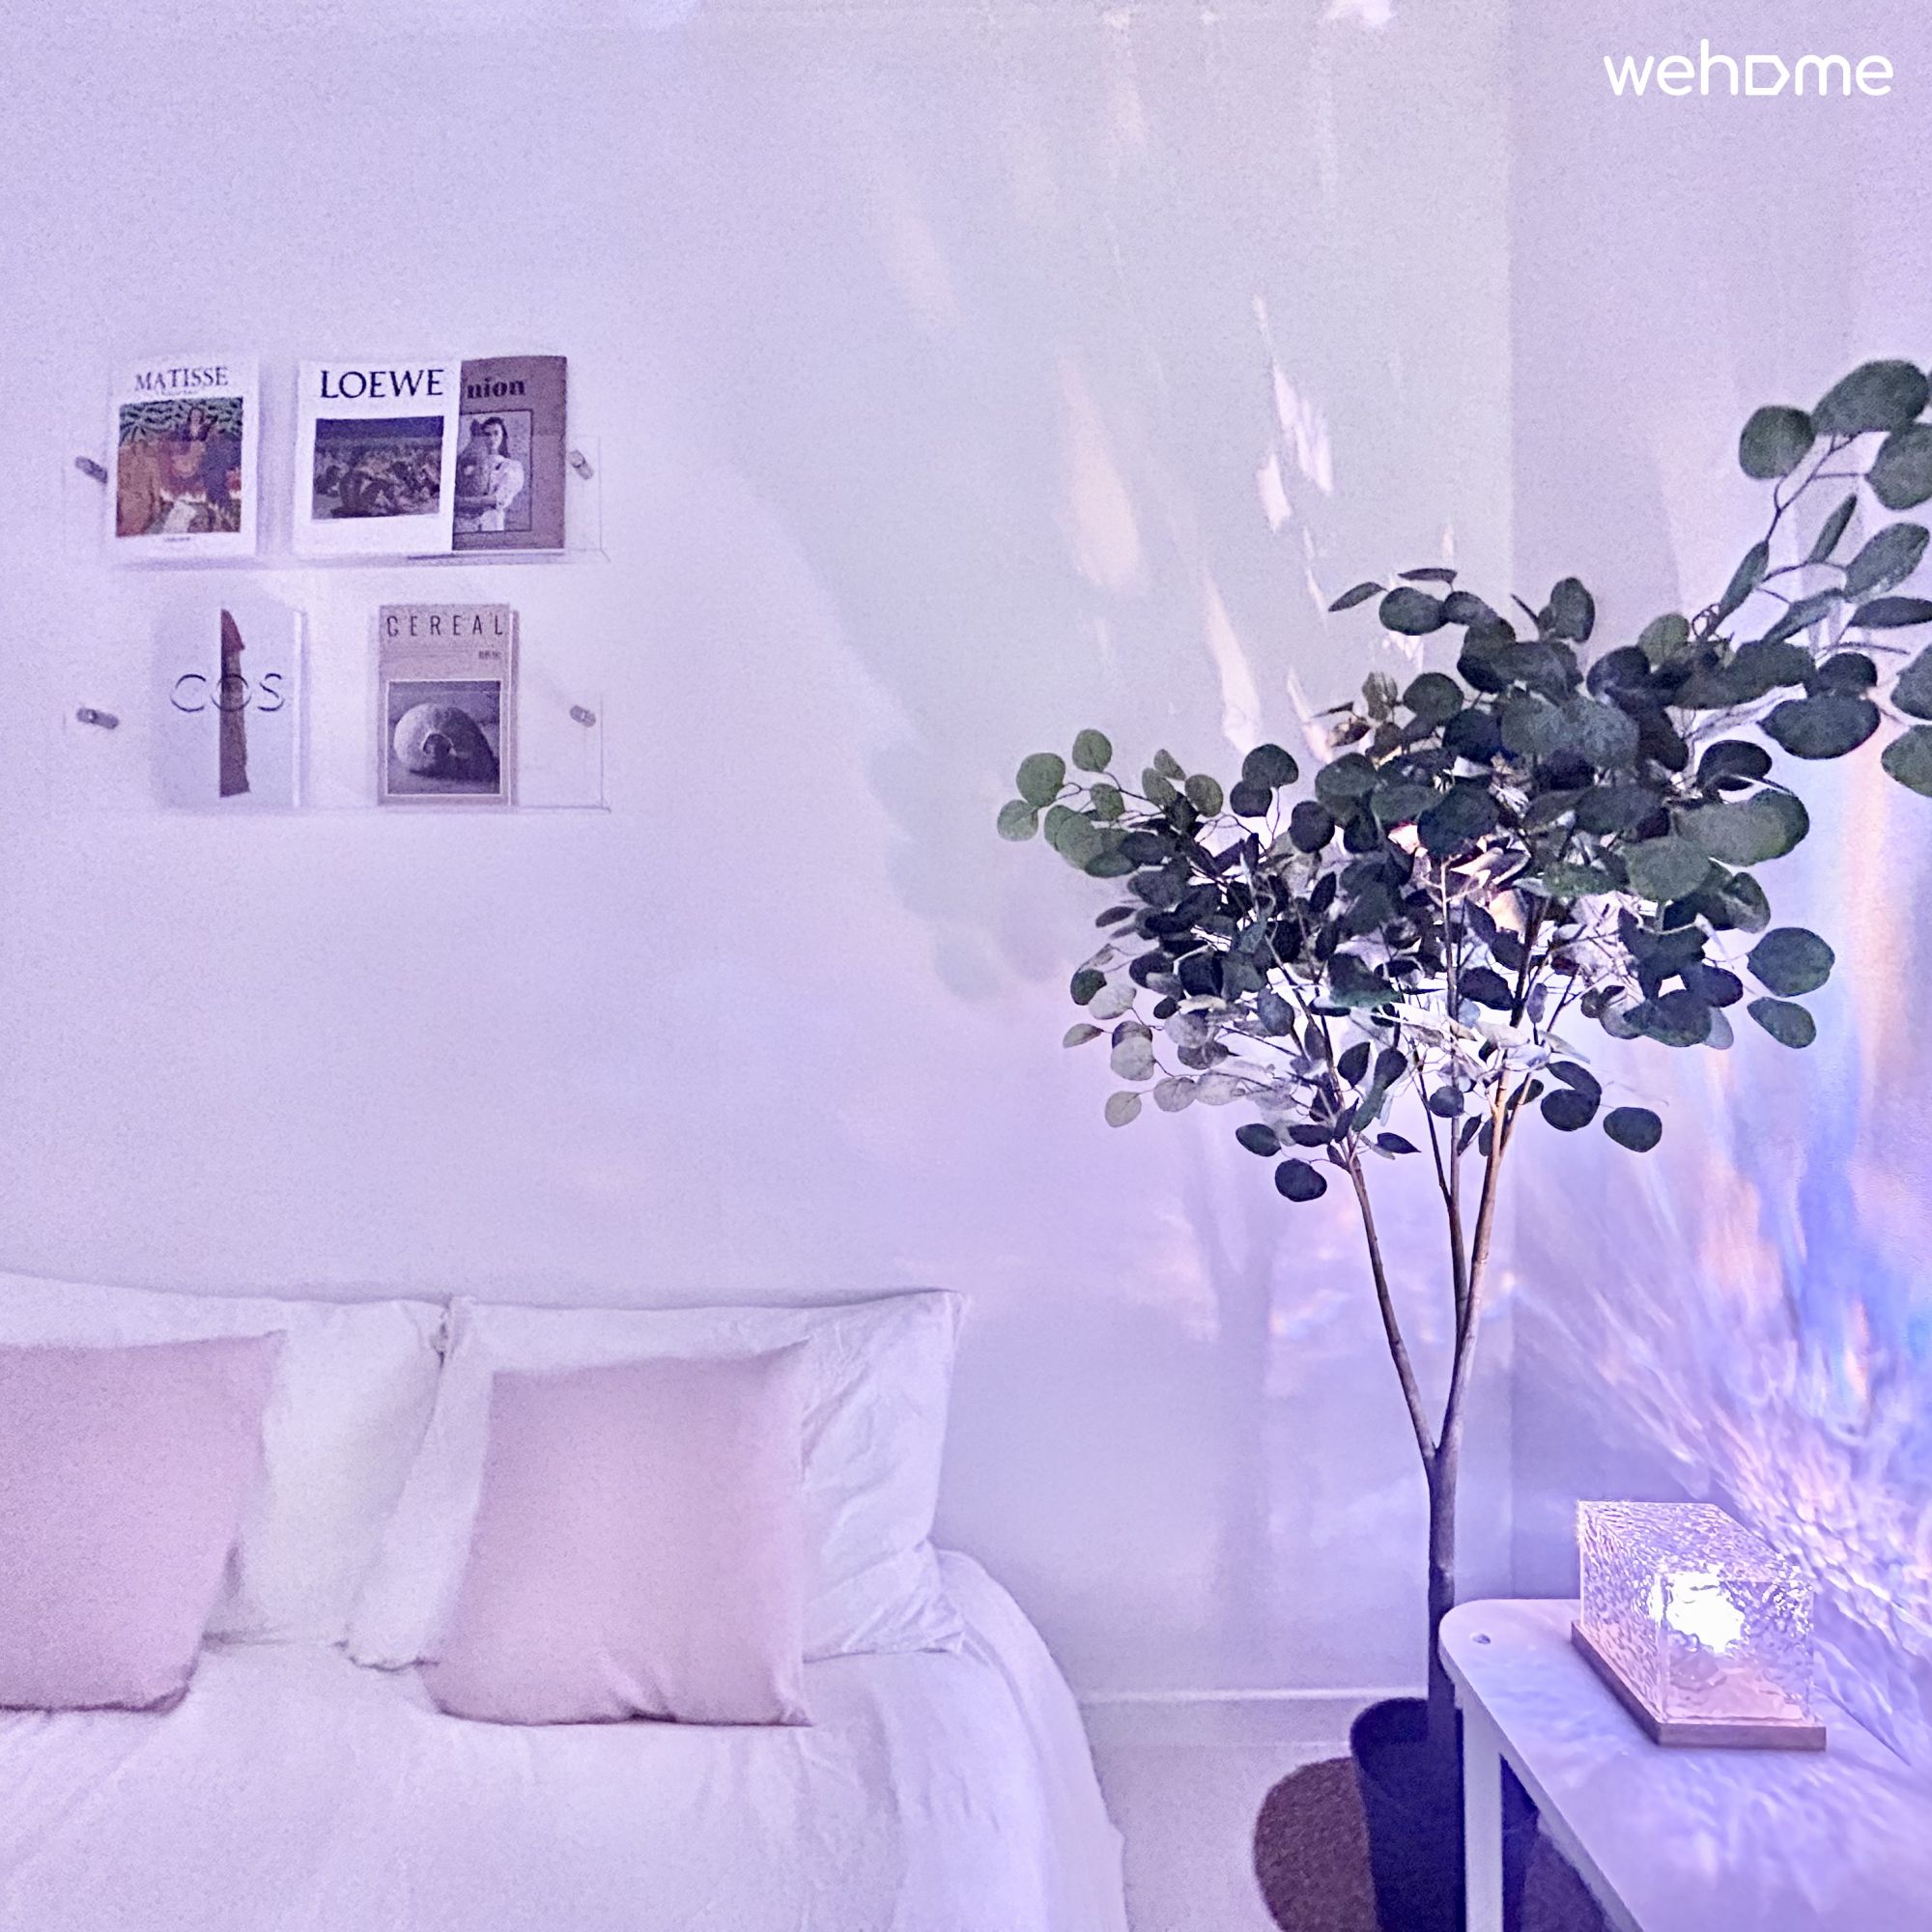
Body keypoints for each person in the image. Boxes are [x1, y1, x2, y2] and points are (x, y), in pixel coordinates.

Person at [453, 415, 525, 532]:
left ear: (503, 436)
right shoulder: (468, 460)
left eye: (496, 433)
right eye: (487, 434)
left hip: (491, 524)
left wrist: (461, 501)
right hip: (463, 523)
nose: (492, 438)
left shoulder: (511, 466)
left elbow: (498, 499)